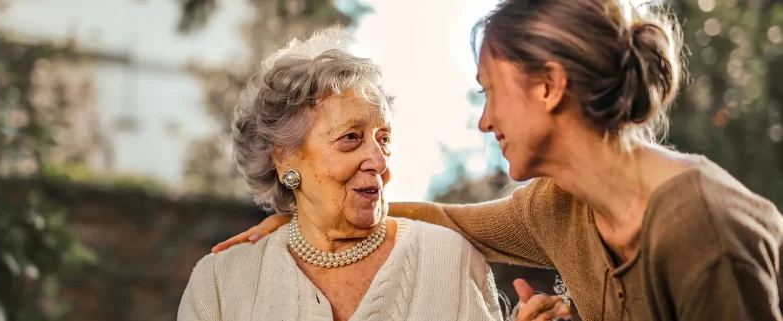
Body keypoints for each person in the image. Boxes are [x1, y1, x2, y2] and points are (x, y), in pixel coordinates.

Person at [211, 0, 783, 320]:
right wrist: (306, 216)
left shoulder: (699, 227)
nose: (485, 121)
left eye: (489, 90)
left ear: (549, 87)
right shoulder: (558, 207)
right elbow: (446, 219)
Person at [177, 28, 571, 321]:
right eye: (351, 138)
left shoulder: (449, 259)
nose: (379, 162)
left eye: (383, 139)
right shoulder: (222, 283)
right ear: (285, 160)